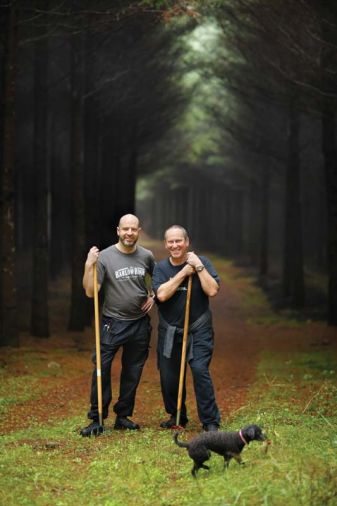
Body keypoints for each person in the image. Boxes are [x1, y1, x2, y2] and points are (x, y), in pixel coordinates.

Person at [80, 214, 155, 436]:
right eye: (125, 229)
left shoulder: (147, 256)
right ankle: (97, 418)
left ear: (138, 231)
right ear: (118, 231)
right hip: (112, 323)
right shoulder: (105, 257)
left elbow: (154, 278)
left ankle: (123, 416)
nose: (129, 233)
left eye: (133, 229)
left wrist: (153, 294)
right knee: (101, 369)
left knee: (132, 371)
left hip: (139, 324)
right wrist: (88, 264)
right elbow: (90, 291)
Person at [152, 225, 221, 432]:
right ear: (166, 244)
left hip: (199, 328)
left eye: (178, 241)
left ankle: (210, 421)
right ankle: (177, 416)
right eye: (171, 242)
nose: (175, 245)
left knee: (200, 370)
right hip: (170, 330)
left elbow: (212, 290)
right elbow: (162, 295)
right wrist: (184, 272)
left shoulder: (203, 262)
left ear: (187, 241)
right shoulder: (161, 268)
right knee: (169, 376)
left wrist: (198, 267)